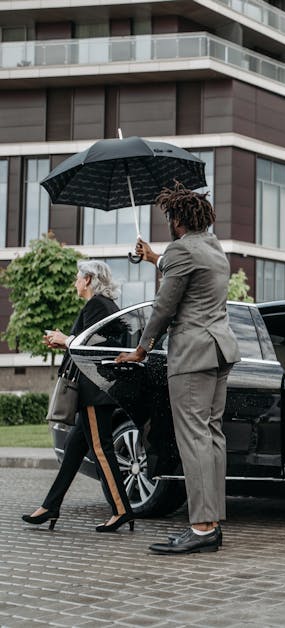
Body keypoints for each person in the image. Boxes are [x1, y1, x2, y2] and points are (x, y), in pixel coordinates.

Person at [115, 182, 239, 555]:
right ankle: (211, 522)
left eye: (170, 217)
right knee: (212, 436)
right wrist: (154, 257)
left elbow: (163, 308)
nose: (169, 223)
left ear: (178, 220)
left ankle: (201, 528)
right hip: (219, 351)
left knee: (194, 438)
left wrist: (141, 349)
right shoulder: (214, 248)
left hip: (192, 355)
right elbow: (183, 269)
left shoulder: (181, 250)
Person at [22, 260, 135, 533]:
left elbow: (92, 349)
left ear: (88, 280)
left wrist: (65, 339)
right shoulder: (105, 306)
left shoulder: (97, 305)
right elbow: (94, 342)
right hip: (97, 390)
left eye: (77, 277)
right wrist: (65, 340)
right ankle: (50, 506)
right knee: (73, 452)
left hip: (94, 391)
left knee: (101, 449)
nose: (75, 282)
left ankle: (122, 510)